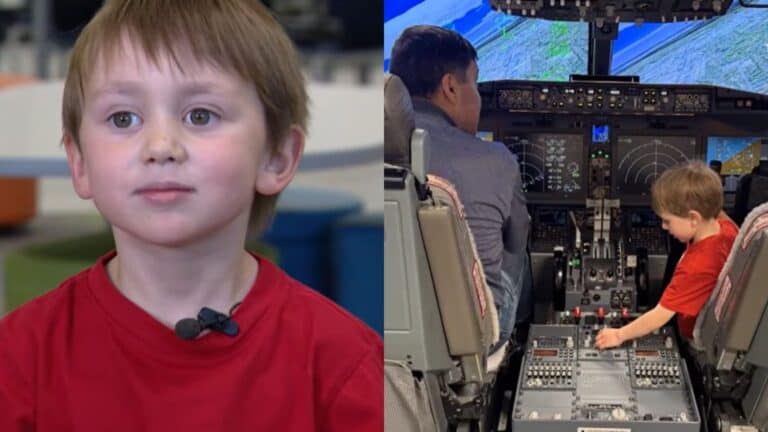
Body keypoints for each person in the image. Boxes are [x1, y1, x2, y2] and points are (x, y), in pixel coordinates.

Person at [0, 1, 382, 430]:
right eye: (123, 118)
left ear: (276, 157)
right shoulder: (18, 362)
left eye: (200, 115)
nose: (160, 145)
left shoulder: (344, 364)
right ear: (80, 162)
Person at [389, 25, 531, 351]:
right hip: (468, 342)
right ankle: (516, 348)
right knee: (517, 241)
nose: (478, 97)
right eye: (475, 84)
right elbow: (516, 238)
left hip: (388, 333)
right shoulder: (496, 159)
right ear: (450, 87)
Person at [596, 160, 738, 349]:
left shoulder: (696, 267)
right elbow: (713, 206)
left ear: (694, 218)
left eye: (668, 221)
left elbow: (660, 316)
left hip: (694, 341)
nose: (664, 227)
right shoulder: (726, 228)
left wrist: (619, 335)